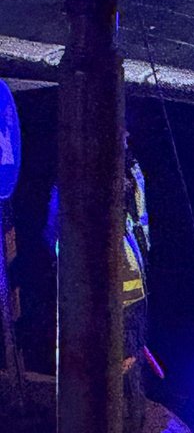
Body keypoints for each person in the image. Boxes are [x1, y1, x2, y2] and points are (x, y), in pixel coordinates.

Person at [46, 135, 151, 433]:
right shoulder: (114, 173)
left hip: (118, 289)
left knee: (119, 367)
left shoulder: (122, 172)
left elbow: (139, 222)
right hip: (110, 290)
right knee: (110, 369)